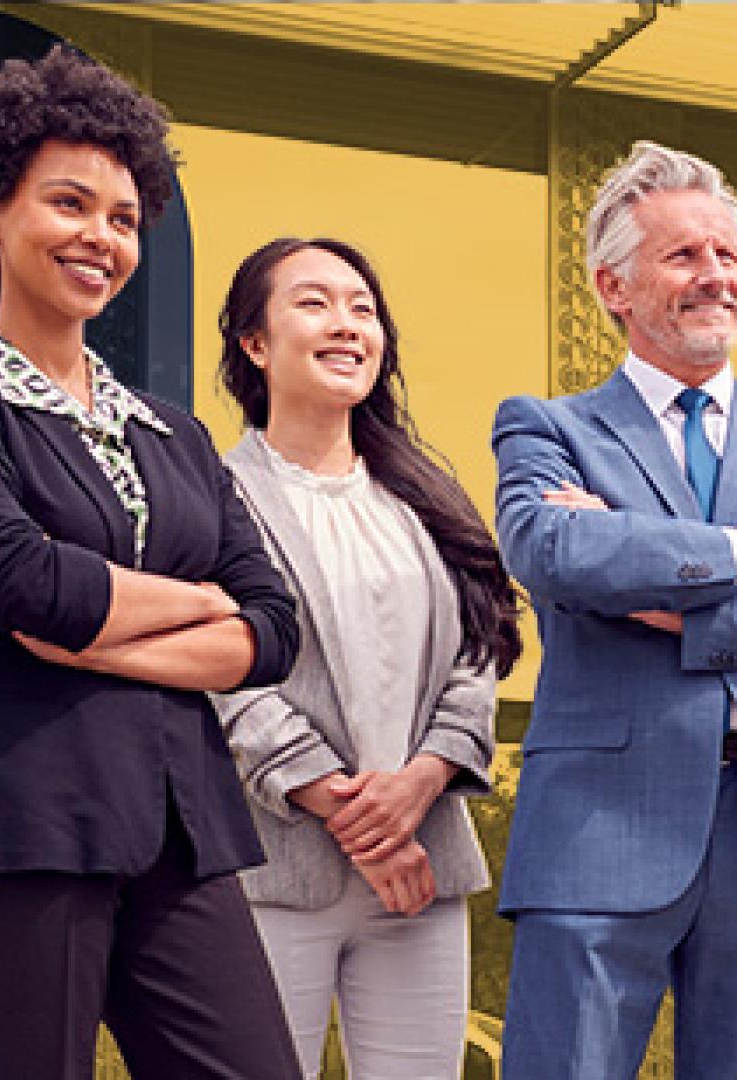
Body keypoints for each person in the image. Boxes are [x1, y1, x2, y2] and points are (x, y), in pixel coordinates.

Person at [0, 45, 303, 1079]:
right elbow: (23, 584)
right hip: (13, 825)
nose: (100, 239)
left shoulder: (174, 432)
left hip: (181, 831)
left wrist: (102, 634)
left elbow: (273, 627)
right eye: (69, 205)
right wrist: (196, 605)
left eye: (122, 219)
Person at [491, 140, 737, 1080]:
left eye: (726, 256)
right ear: (614, 287)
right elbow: (554, 550)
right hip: (598, 822)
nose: (715, 275)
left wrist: (685, 611)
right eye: (683, 256)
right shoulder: (549, 427)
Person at [209, 236, 522, 1078]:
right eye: (314, 303)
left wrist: (419, 783)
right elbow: (223, 674)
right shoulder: (211, 494)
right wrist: (355, 818)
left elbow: (478, 647)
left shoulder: (423, 495)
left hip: (423, 871)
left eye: (363, 308)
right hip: (278, 867)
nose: (348, 325)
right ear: (255, 343)